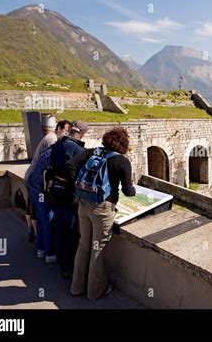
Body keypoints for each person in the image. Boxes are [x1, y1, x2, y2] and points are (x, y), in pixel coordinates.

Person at [67, 127, 135, 300]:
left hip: (83, 204)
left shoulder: (92, 152)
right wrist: (133, 189)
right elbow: (128, 191)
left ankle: (76, 287)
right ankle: (94, 291)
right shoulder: (121, 161)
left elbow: (70, 165)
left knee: (83, 245)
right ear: (123, 144)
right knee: (97, 249)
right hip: (102, 209)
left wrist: (78, 187)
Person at [46, 120, 89, 279]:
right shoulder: (78, 150)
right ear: (82, 134)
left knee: (59, 227)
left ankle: (59, 259)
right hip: (69, 197)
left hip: (54, 193)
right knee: (72, 232)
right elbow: (79, 176)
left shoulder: (57, 145)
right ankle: (67, 268)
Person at [24, 117, 71, 250]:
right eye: (66, 130)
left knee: (36, 212)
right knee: (42, 216)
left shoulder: (50, 137)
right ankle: (45, 248)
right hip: (37, 181)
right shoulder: (53, 140)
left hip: (33, 178)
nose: (67, 133)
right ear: (59, 129)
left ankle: (39, 245)